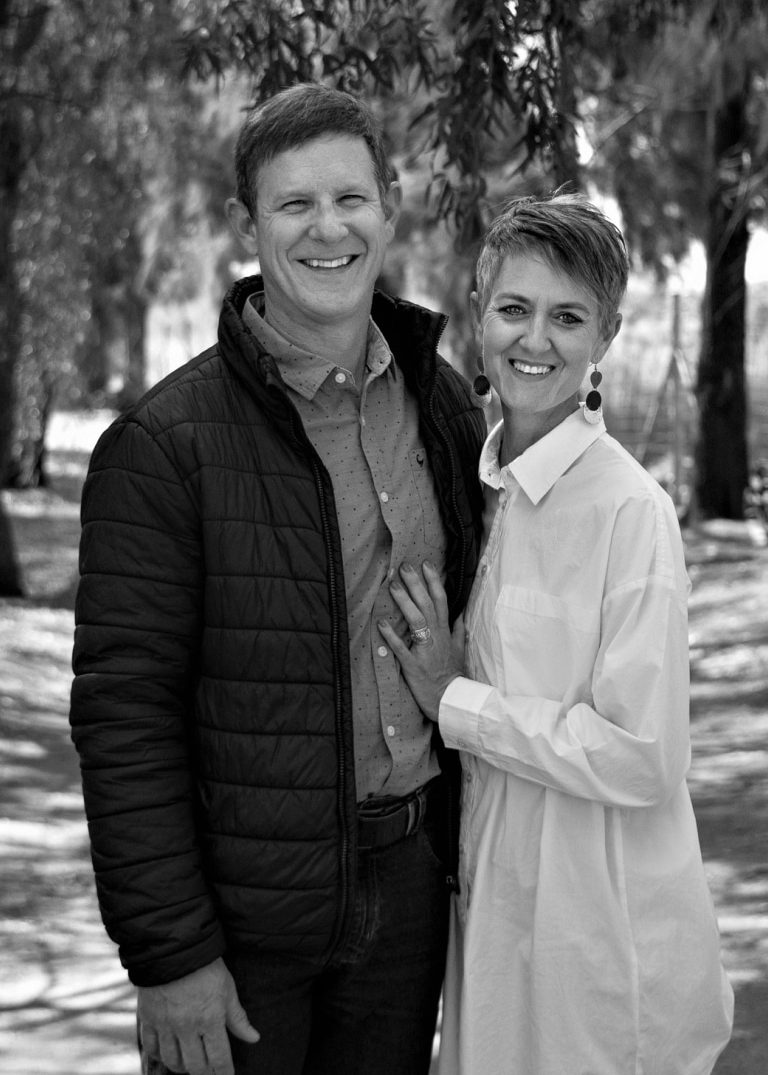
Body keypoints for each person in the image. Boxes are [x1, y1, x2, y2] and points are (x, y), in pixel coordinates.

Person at [69, 83, 486, 1075]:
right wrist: (170, 953)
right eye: (294, 203)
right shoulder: (162, 447)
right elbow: (124, 717)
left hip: (413, 891)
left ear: (389, 207)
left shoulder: (445, 404)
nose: (327, 228)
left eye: (350, 198)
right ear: (244, 225)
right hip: (242, 921)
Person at [378, 192, 734, 1075]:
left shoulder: (629, 512)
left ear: (605, 335)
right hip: (496, 921)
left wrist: (455, 700)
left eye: (567, 317)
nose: (534, 339)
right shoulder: (476, 489)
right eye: (515, 308)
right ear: (479, 313)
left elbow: (643, 754)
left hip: (598, 940)